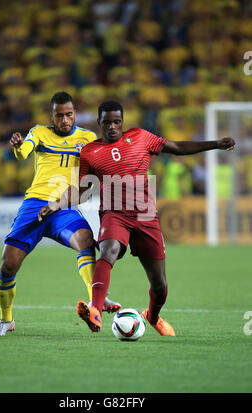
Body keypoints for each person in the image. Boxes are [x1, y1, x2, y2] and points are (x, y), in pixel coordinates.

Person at [38, 100, 235, 336]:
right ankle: (96, 311)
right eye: (107, 122)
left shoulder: (140, 137)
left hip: (145, 215)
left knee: (160, 285)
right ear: (99, 123)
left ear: (123, 122)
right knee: (108, 251)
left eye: (117, 122)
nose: (112, 127)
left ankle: (152, 316)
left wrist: (215, 144)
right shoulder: (90, 152)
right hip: (114, 213)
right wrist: (57, 203)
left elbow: (176, 147)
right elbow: (82, 190)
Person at [0, 92, 121, 336]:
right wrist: (19, 147)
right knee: (8, 266)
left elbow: (98, 166)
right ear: (51, 115)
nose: (64, 120)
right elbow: (24, 150)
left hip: (65, 207)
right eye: (59, 115)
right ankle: (6, 319)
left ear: (75, 114)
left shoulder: (87, 138)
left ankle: (97, 299)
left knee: (85, 239)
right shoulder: (39, 132)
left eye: (69, 114)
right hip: (35, 205)